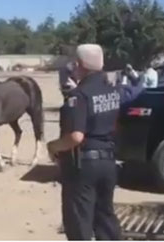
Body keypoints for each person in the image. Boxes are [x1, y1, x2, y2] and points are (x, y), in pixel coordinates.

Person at [47, 44, 143, 240]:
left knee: (79, 221)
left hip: (83, 166)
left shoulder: (79, 96)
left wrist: (53, 146)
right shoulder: (113, 91)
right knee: (105, 217)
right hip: (108, 163)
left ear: (79, 65)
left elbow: (76, 136)